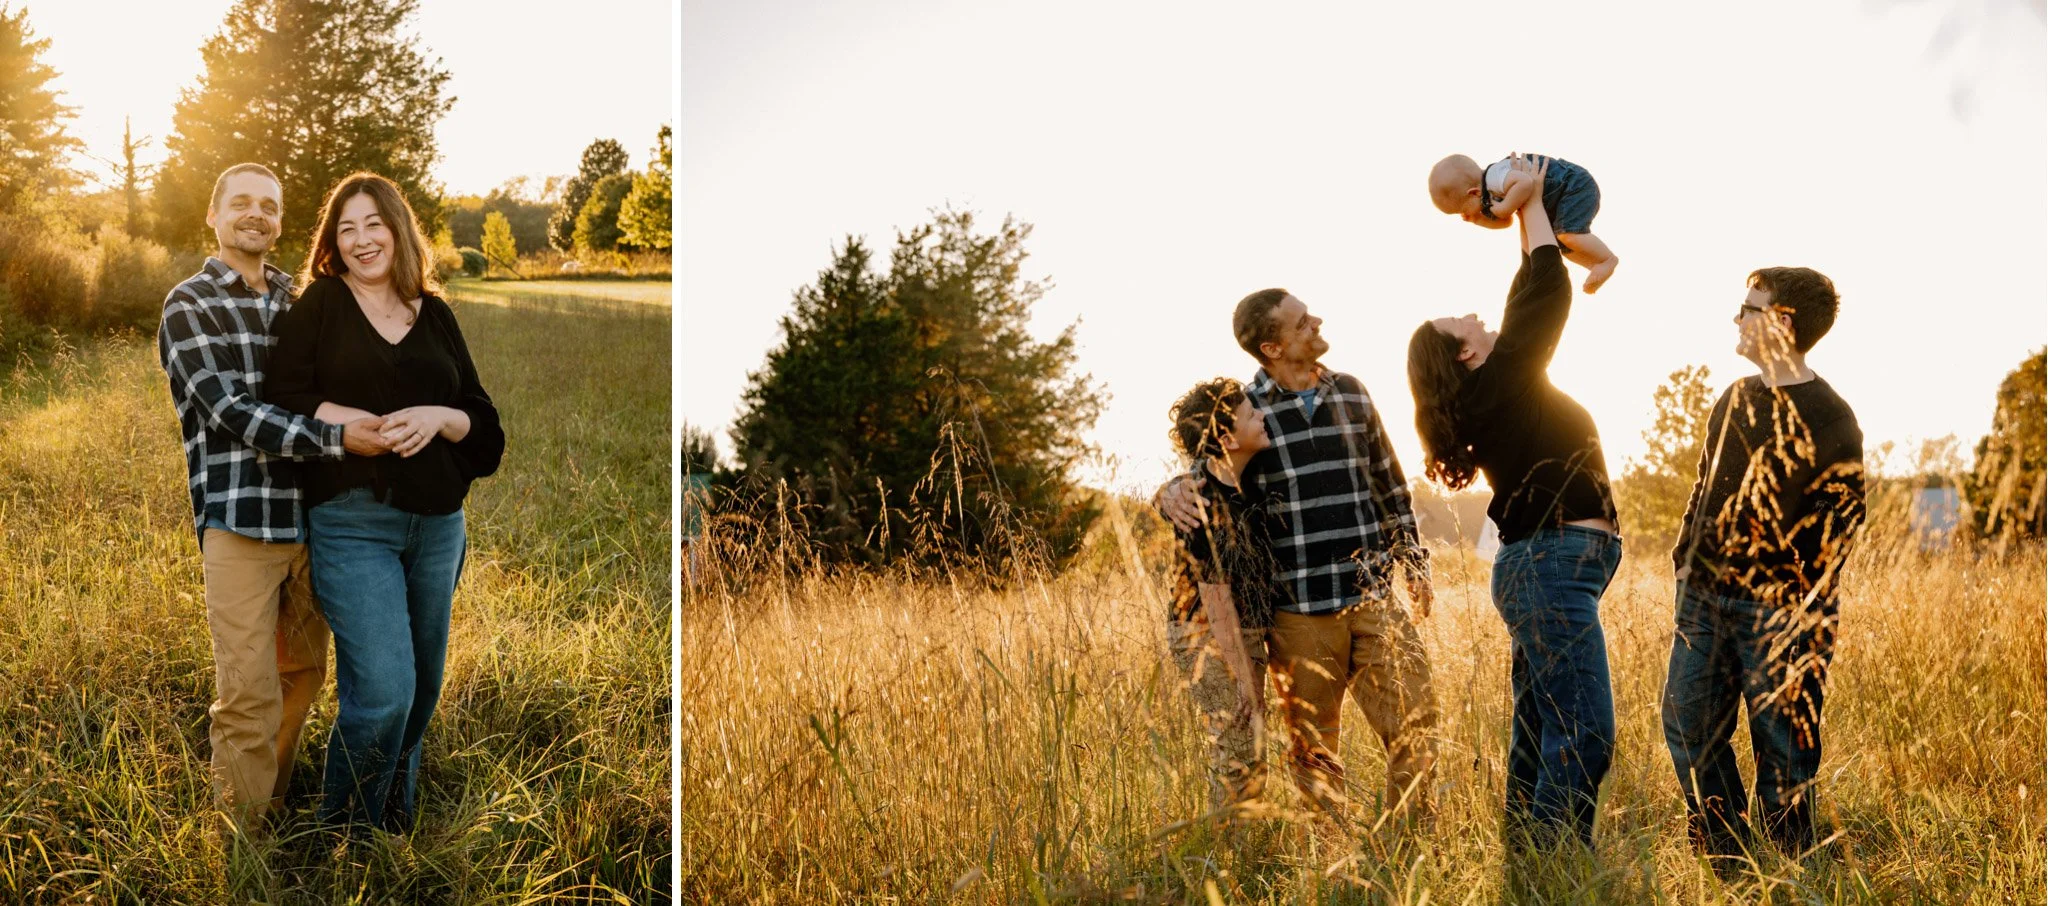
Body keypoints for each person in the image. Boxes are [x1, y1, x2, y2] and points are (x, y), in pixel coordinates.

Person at [157, 162, 393, 828]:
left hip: (313, 523)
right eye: (241, 203)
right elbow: (230, 410)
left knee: (302, 678)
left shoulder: (298, 301)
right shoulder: (189, 303)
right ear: (214, 214)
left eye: (268, 206)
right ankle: (240, 844)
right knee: (247, 693)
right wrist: (339, 437)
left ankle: (270, 806)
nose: (255, 214)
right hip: (240, 522)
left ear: (281, 221)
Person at [267, 171, 505, 833]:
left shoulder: (437, 316)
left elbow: (485, 434)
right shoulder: (321, 306)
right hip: (352, 522)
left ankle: (393, 819)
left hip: (438, 527)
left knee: (423, 688)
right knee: (384, 691)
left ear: (398, 230)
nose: (363, 238)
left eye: (374, 223)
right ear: (332, 245)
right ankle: (344, 838)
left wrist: (437, 415)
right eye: (347, 229)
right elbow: (284, 397)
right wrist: (351, 424)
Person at [1157, 289, 1439, 828]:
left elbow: (1389, 482)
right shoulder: (1249, 413)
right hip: (1299, 611)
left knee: (1417, 722)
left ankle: (1409, 847)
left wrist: (1413, 560)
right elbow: (1206, 474)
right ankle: (1336, 856)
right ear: (1272, 346)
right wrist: (1167, 491)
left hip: (1373, 595)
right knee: (1316, 749)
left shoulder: (1353, 392)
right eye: (1303, 321)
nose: (1318, 323)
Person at [1406, 155, 1623, 849]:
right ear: (1463, 355)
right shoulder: (1491, 385)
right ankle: (1556, 868)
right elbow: (1541, 297)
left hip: (1545, 568)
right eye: (1461, 320)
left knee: (1540, 726)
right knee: (1583, 729)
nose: (1476, 314)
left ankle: (1529, 862)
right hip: (1547, 568)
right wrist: (1529, 205)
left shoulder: (1492, 388)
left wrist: (1530, 210)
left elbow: (1530, 297)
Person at [1662, 266, 1865, 862]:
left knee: (1783, 747)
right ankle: (1727, 860)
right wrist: (1685, 562)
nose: (1736, 318)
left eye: (1748, 308)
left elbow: (1839, 520)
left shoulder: (1831, 414)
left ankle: (1790, 866)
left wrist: (1790, 593)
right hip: (1702, 599)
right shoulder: (1734, 398)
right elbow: (1704, 487)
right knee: (1688, 726)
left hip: (1783, 610)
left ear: (1782, 322)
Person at [1163, 377, 1287, 813]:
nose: (1263, 416)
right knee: (1238, 752)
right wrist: (1244, 681)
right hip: (1208, 639)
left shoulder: (1244, 484)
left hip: (1239, 632)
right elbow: (1215, 600)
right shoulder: (1204, 501)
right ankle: (1229, 859)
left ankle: (1241, 849)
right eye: (1253, 415)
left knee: (1248, 750)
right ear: (1227, 437)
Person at [1429, 152, 1619, 294]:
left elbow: (1525, 183)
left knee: (1568, 235)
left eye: (1462, 210)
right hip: (1559, 199)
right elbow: (1506, 222)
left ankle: (1606, 260)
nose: (1464, 215)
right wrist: (1478, 220)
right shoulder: (1489, 194)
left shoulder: (1496, 176)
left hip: (1573, 185)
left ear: (1473, 193)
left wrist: (1504, 208)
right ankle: (1594, 265)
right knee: (1561, 244)